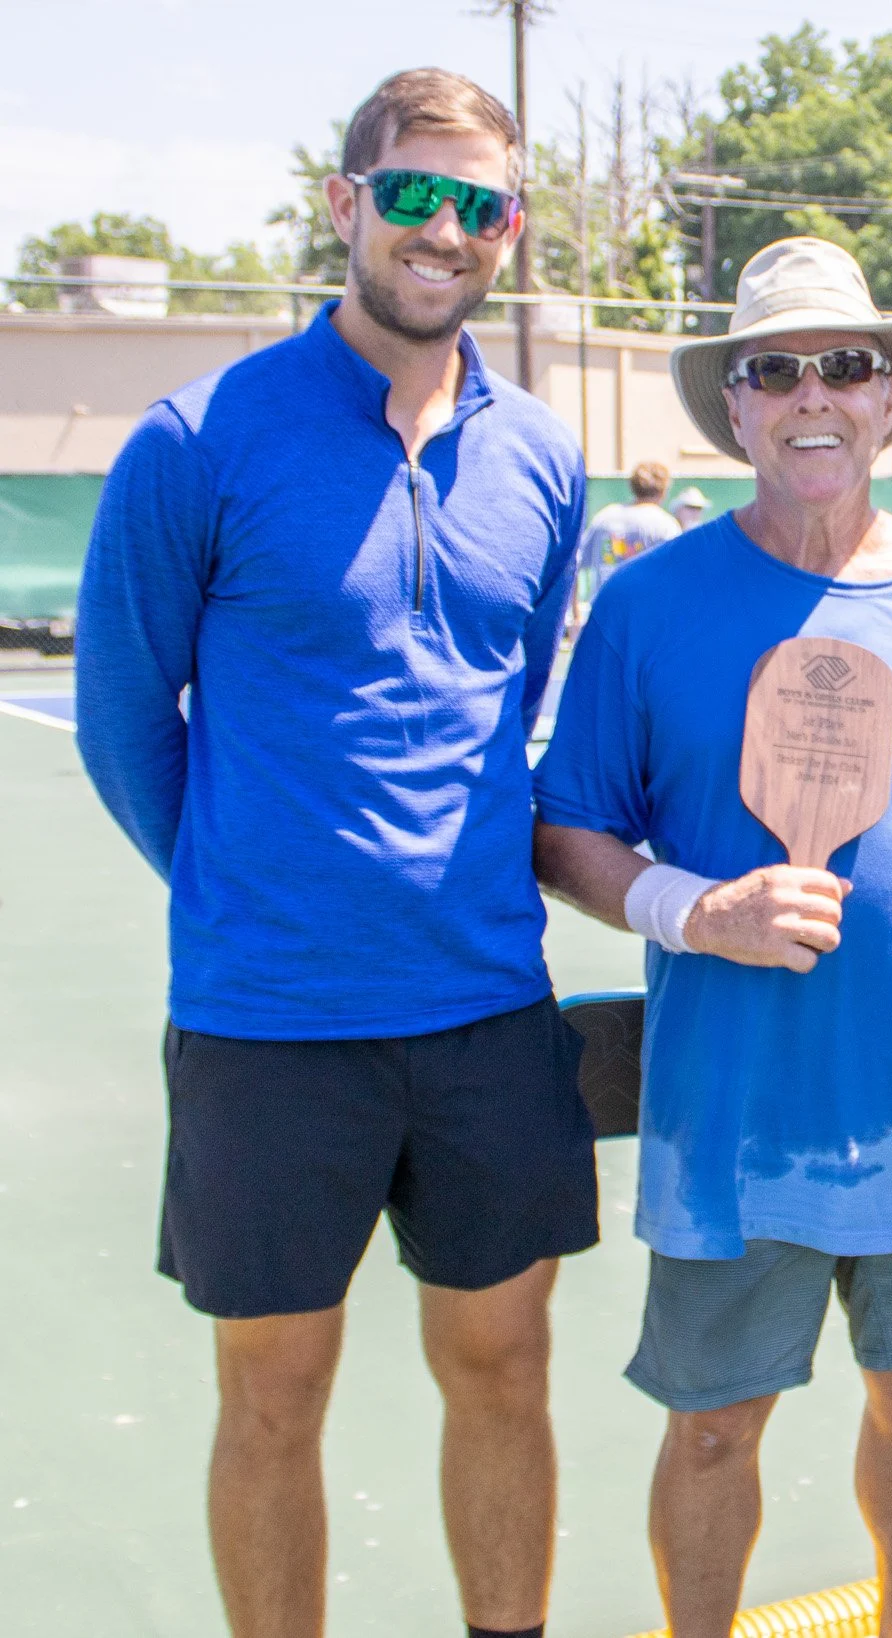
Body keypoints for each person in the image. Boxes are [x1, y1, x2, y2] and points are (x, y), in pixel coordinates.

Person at [74, 69, 596, 1638]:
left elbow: (524, 705)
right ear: (345, 205)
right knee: (275, 1394)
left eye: (481, 204)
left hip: (487, 1007)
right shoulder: (196, 440)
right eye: (414, 193)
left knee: (505, 1367)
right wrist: (258, 890)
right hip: (271, 1021)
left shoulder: (546, 460)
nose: (445, 231)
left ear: (510, 231)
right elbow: (123, 724)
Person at [530, 236, 892, 1638]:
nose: (814, 392)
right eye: (776, 370)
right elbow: (567, 827)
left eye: (846, 365)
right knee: (709, 1429)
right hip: (727, 1118)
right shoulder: (647, 606)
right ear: (736, 407)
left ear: (889, 399)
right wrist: (698, 912)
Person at [574, 460, 681, 624]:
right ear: (664, 491)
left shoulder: (605, 517)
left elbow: (574, 565)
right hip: (647, 619)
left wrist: (576, 615)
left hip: (603, 616)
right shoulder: (665, 524)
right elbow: (677, 576)